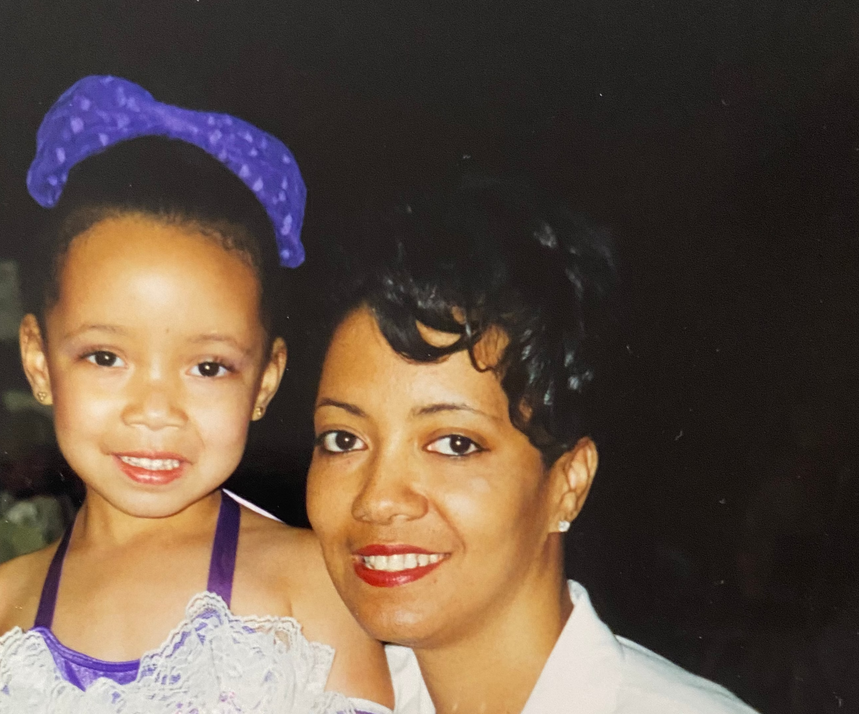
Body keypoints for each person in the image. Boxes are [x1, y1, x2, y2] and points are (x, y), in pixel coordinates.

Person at [0, 76, 392, 714]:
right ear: (39, 362)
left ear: (265, 381)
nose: (155, 411)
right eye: (105, 357)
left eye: (207, 367)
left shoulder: (313, 581)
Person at [306, 176, 760, 713]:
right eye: (343, 439)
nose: (378, 499)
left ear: (569, 483)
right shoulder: (311, 696)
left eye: (454, 444)